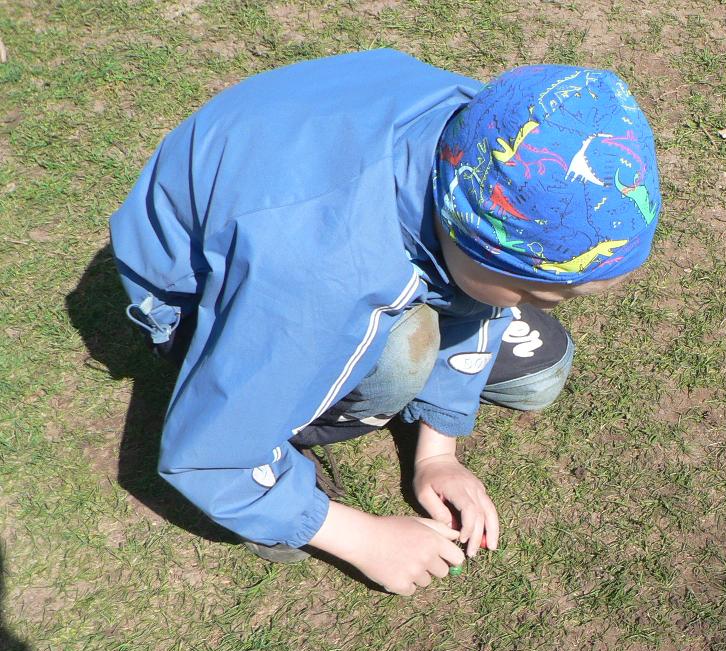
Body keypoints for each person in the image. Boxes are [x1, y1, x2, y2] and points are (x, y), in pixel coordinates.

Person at [109, 51, 662, 595]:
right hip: (207, 291)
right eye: (531, 293)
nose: (539, 306)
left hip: (310, 173)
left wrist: (437, 455)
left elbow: (466, 265)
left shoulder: (492, 130)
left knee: (538, 374)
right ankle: (287, 446)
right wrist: (360, 537)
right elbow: (207, 458)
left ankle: (454, 319)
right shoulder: (317, 279)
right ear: (470, 239)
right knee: (401, 358)